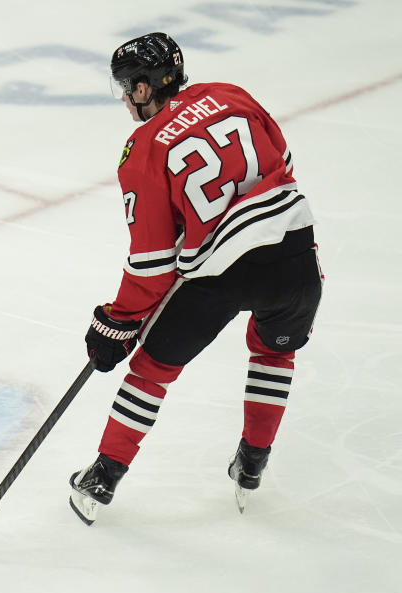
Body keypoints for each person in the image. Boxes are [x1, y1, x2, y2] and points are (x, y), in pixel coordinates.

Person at [69, 33, 323, 524]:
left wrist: (117, 322)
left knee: (151, 371)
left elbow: (153, 260)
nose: (124, 98)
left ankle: (103, 477)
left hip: (220, 273)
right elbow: (283, 164)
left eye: (126, 89)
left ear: (144, 89)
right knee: (274, 349)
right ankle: (252, 463)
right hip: (295, 252)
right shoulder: (232, 94)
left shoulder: (142, 147)